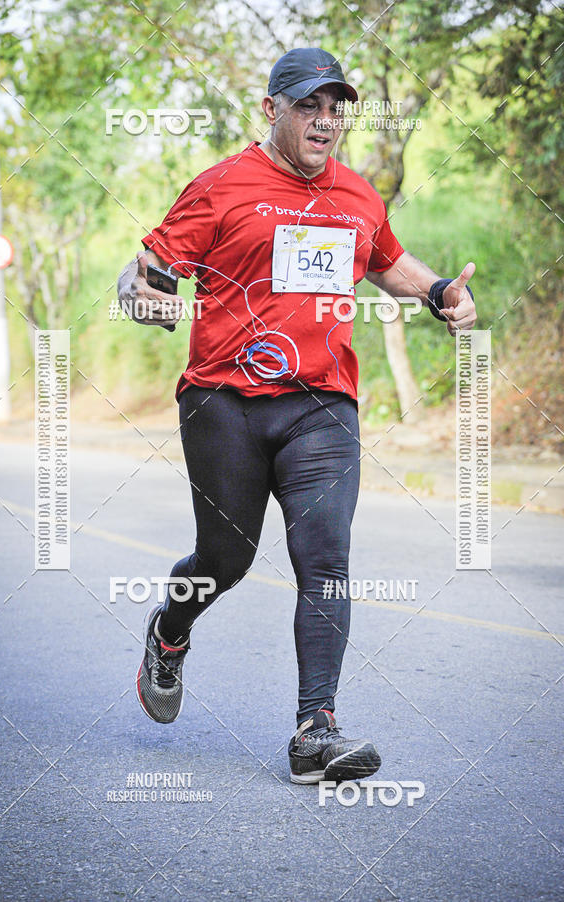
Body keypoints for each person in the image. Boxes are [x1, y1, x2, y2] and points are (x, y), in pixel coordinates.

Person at [117, 47, 477, 785]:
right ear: (271, 110)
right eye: (308, 105)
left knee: (327, 562)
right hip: (224, 400)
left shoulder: (357, 194)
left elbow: (387, 263)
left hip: (323, 405)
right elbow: (145, 271)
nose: (324, 121)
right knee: (226, 560)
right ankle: (170, 629)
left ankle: (317, 731)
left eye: (335, 107)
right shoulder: (222, 187)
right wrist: (144, 299)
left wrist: (439, 290)